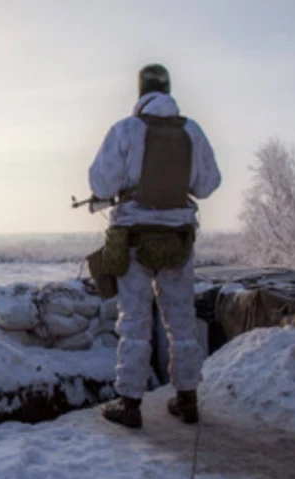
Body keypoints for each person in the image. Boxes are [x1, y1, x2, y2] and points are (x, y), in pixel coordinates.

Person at [89, 63, 221, 429]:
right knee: (181, 320)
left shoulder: (125, 130)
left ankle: (130, 404)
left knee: (134, 321)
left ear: (140, 91)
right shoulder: (192, 131)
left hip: (134, 236)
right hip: (178, 240)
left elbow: (100, 184)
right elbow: (208, 184)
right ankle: (187, 398)